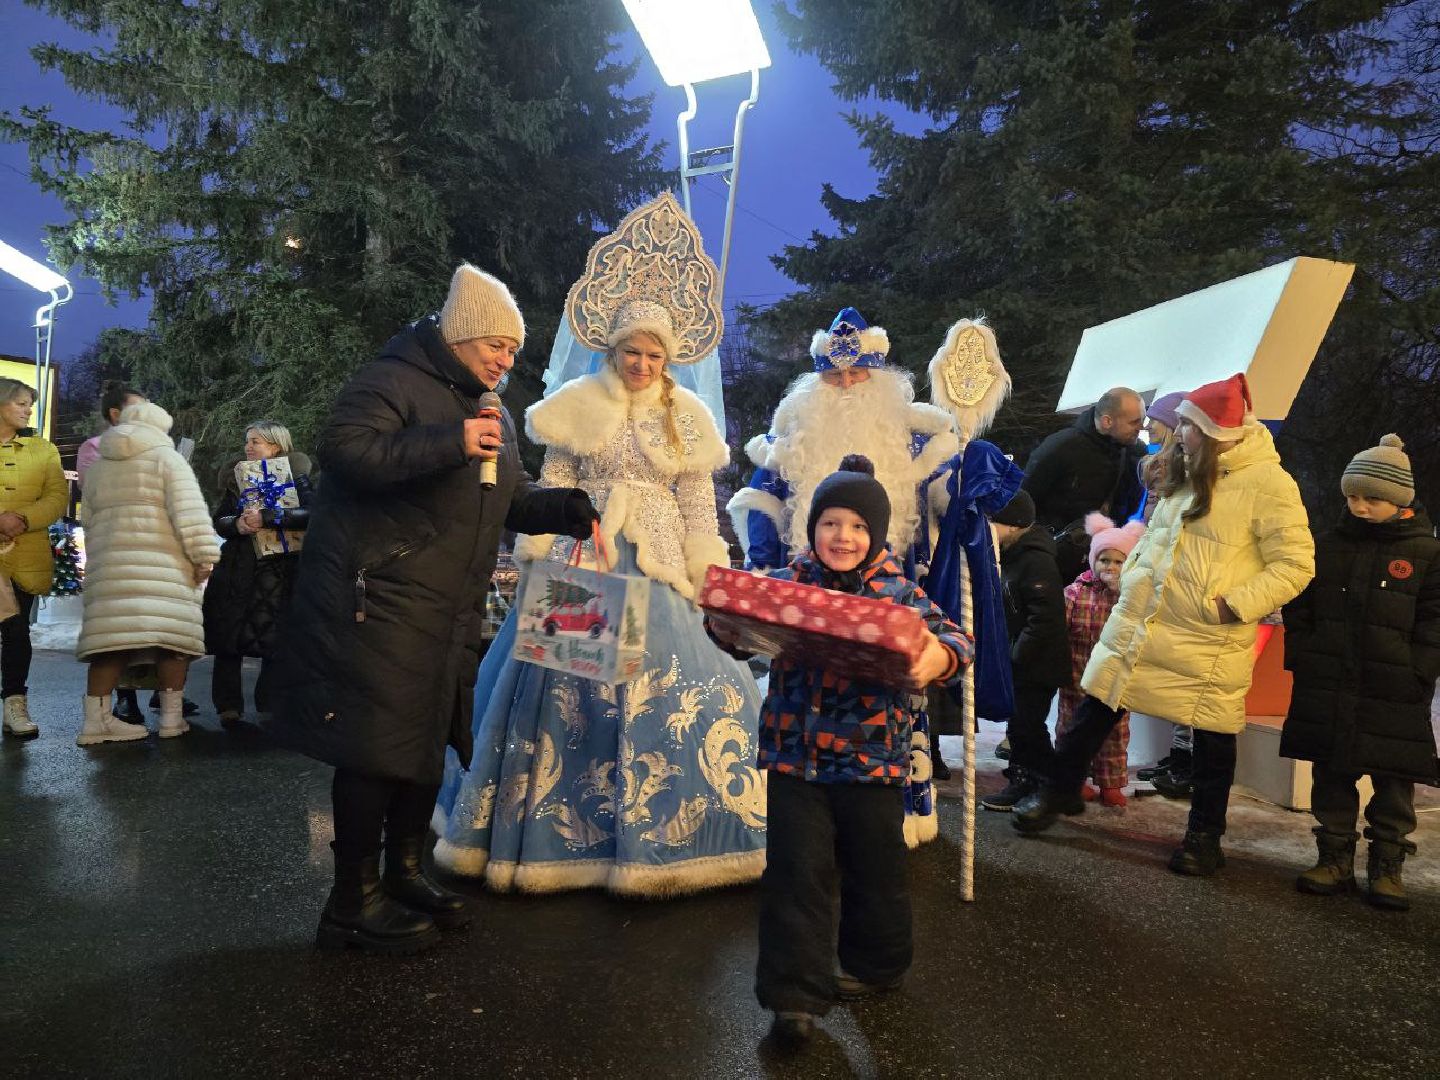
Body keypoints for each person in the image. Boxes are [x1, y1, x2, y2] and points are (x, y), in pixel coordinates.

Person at [433, 193, 766, 896]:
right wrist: (547, 559)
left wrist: (707, 569)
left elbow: (697, 499)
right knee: (566, 691)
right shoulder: (576, 407)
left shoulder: (689, 417)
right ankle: (563, 839)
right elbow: (554, 482)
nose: (641, 363)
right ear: (609, 351)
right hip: (586, 561)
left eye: (652, 353)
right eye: (630, 351)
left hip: (663, 567)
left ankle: (680, 834)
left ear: (667, 359)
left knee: (687, 693)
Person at [265, 264, 599, 955]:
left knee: (421, 746)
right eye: (494, 344)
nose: (506, 358)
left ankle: (406, 872)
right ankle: (349, 905)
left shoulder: (489, 408)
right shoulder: (391, 382)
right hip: (378, 596)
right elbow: (347, 452)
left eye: (513, 347)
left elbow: (499, 497)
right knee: (374, 750)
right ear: (458, 335)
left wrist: (561, 509)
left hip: (444, 605)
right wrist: (448, 441)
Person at [707, 455, 972, 1050]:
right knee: (796, 874)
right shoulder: (787, 581)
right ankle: (793, 1000)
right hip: (794, 756)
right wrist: (723, 628)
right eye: (830, 523)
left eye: (856, 526)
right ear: (813, 527)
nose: (842, 537)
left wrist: (940, 655)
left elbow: (956, 636)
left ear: (874, 534)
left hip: (872, 761)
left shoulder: (902, 593)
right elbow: (741, 624)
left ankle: (877, 965)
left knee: (874, 869)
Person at [1012, 374, 1315, 878]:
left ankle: (1204, 836)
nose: (1175, 433)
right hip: (1143, 621)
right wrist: (1131, 576)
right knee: (1098, 706)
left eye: (1187, 426)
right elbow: (1158, 537)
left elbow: (1296, 564)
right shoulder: (1190, 469)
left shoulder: (1268, 483)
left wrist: (1235, 605)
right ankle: (1060, 789)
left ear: (1212, 431)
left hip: (1207, 634)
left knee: (1212, 737)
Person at [728, 306, 959, 844]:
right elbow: (762, 502)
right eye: (835, 375)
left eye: (858, 374)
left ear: (881, 377)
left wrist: (968, 492)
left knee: (887, 702)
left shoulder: (917, 441)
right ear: (816, 379)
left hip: (890, 589)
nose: (847, 385)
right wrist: (763, 570)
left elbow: (944, 499)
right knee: (809, 692)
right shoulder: (791, 440)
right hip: (807, 591)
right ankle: (811, 818)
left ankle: (893, 816)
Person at [1281, 434, 1439, 911]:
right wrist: (1305, 655)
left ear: (1399, 500)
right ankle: (1333, 857)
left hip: (1394, 687)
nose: (1361, 506)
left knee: (1393, 780)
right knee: (1332, 771)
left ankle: (1387, 865)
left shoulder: (1426, 553)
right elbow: (1300, 604)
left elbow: (1434, 618)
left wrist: (1419, 670)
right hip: (1329, 678)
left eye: (1372, 498)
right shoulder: (1328, 545)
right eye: (1353, 496)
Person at [75, 400, 219, 744]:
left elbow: (88, 522)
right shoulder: (167, 460)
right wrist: (203, 557)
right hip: (164, 565)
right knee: (172, 641)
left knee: (111, 645)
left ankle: (96, 724)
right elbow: (189, 513)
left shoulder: (98, 467)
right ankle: (171, 720)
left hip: (112, 568)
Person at [203, 420, 313, 727]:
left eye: (257, 442)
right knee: (228, 637)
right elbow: (219, 519)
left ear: (276, 446)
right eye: (248, 441)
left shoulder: (297, 478)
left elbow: (311, 514)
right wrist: (236, 525)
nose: (249, 446)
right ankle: (228, 705)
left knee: (275, 636)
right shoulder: (236, 478)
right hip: (238, 567)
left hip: (280, 569)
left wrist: (270, 516)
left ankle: (269, 700)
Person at [979, 489, 1072, 811]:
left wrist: (1014, 658)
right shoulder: (1012, 555)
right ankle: (1026, 779)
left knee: (1028, 725)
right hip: (1022, 660)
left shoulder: (1035, 560)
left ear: (1015, 525)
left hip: (1037, 664)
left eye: (995, 522)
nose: (988, 528)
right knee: (1020, 725)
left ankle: (1047, 782)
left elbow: (1043, 619)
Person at [1057, 514, 1146, 808]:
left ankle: (1110, 784)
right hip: (1076, 674)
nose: (1110, 567)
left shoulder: (1131, 596)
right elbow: (1060, 628)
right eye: (1104, 560)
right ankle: (1075, 779)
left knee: (1114, 735)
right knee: (1071, 728)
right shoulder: (1074, 592)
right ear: (1092, 560)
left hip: (1115, 680)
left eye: (1118, 561)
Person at [1022, 387, 1146, 583]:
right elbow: (1027, 499)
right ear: (1107, 421)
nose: (1141, 428)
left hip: (1101, 562)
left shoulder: (1133, 452)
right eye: (1134, 422)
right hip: (1054, 560)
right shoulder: (1061, 447)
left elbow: (1128, 504)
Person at [0, 379, 66, 741]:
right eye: (20, 403)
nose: (28, 410)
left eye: (30, 404)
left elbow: (57, 496)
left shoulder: (43, 450)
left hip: (24, 556)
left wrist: (21, 519)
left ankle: (15, 704)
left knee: (15, 631)